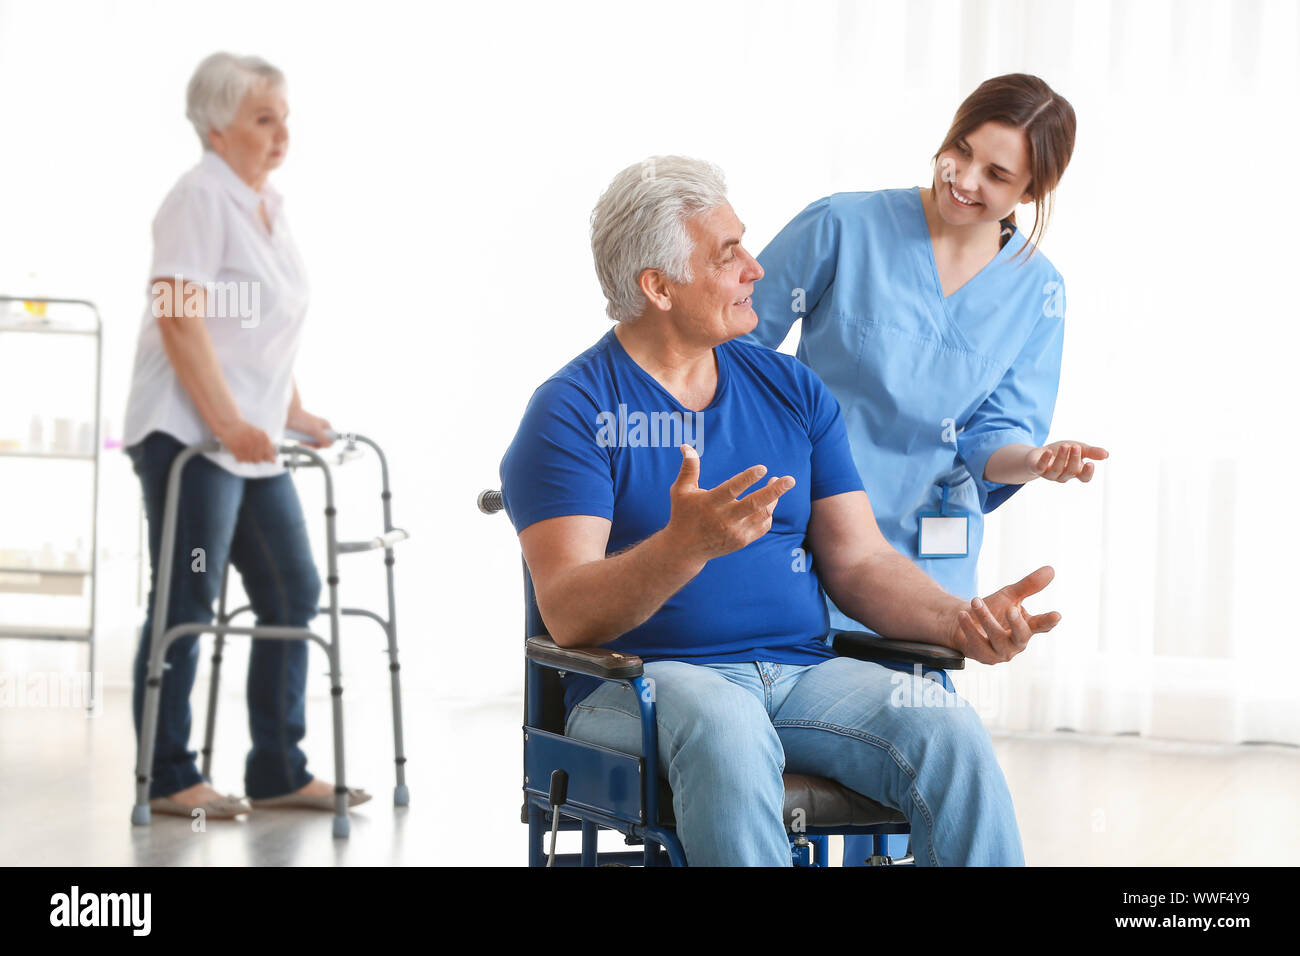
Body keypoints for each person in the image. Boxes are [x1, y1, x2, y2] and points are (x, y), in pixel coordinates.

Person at [499, 156, 1061, 866]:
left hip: (801, 676)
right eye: (728, 254)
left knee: (944, 723)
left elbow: (859, 561)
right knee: (724, 719)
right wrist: (682, 547)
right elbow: (571, 614)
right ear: (657, 286)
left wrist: (960, 620)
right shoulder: (571, 411)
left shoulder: (790, 387)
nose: (756, 269)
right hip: (640, 689)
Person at [748, 74, 1107, 628]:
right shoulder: (843, 224)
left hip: (929, 541)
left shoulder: (1039, 291)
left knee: (912, 705)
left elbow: (995, 439)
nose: (962, 179)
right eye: (960, 151)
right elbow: (732, 343)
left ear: (1029, 193)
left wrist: (1036, 461)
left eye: (996, 174)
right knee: (791, 683)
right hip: (808, 513)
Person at [122, 52, 369, 819]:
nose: (281, 133)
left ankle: (277, 768)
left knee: (292, 589)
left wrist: (288, 410)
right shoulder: (197, 197)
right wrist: (228, 421)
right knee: (190, 591)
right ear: (217, 127)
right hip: (189, 440)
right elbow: (179, 315)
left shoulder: (267, 204)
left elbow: (261, 327)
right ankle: (168, 776)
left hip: (247, 442)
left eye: (284, 117)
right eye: (264, 119)